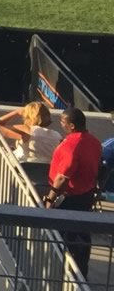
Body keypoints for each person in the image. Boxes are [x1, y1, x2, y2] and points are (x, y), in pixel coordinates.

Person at [43, 107, 102, 271]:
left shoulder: (72, 145)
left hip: (69, 196)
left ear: (72, 126)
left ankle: (60, 270)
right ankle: (81, 270)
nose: (60, 124)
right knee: (82, 232)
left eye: (63, 121)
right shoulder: (94, 142)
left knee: (62, 234)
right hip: (86, 194)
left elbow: (63, 177)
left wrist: (50, 198)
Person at [0, 100, 63, 170]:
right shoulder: (57, 135)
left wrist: (16, 112)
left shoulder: (27, 130)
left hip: (23, 170)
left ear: (29, 115)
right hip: (45, 172)